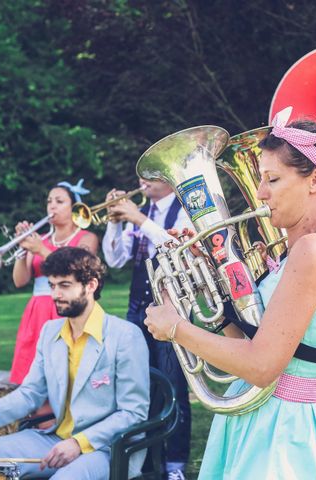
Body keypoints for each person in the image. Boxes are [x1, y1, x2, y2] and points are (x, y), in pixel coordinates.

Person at [144, 106, 316, 479]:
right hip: (263, 423)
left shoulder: (315, 251)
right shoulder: (297, 252)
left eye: (273, 179)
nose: (261, 192)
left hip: (281, 436)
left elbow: (262, 366)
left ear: (315, 180)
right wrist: (216, 276)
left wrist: (176, 330)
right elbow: (247, 340)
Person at [0, 247, 150, 479]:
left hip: (109, 449)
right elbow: (30, 393)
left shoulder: (126, 335)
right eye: (52, 285)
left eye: (65, 285)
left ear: (91, 285)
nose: (56, 294)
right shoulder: (50, 332)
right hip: (54, 439)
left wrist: (79, 443)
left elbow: (133, 413)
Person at [102, 178, 192, 480]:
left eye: (150, 175)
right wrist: (114, 223)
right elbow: (114, 260)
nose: (142, 182)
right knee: (139, 384)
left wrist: (138, 218)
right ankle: (148, 460)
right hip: (137, 308)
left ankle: (175, 464)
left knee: (174, 387)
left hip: (173, 308)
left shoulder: (182, 210)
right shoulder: (137, 213)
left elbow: (174, 246)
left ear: (168, 178)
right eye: (140, 176)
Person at [10, 179, 99, 385]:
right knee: (34, 379)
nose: (52, 206)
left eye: (59, 201)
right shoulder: (40, 239)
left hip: (69, 308)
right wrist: (21, 251)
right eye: (49, 201)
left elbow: (75, 272)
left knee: (66, 375)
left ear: (74, 208)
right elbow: (19, 280)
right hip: (37, 311)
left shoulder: (87, 238)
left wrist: (40, 249)